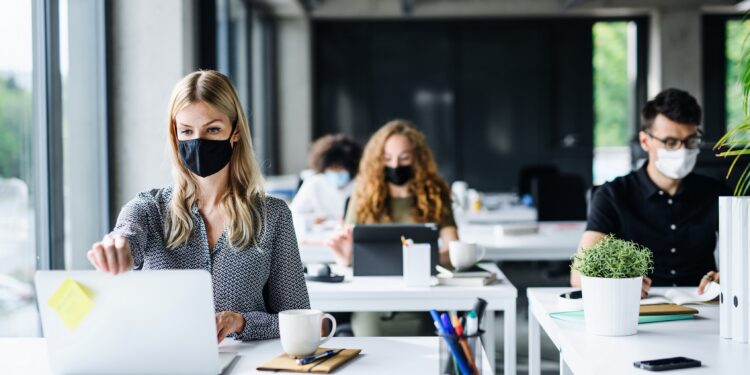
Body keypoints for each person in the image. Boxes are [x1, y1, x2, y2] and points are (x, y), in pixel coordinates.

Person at [86, 70, 310, 342]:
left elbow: (299, 319)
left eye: (213, 129)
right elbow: (127, 235)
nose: (199, 141)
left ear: (235, 132)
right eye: (187, 131)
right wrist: (116, 246)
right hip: (163, 361)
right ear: (175, 134)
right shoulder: (148, 208)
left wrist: (241, 323)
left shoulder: (272, 215)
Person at [570, 88, 730, 296]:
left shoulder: (716, 192)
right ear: (645, 141)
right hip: (638, 311)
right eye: (670, 142)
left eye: (690, 141)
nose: (682, 151)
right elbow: (579, 276)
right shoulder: (613, 195)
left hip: (706, 310)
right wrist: (620, 284)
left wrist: (727, 277)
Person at [326, 119, 458, 336]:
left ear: (418, 159)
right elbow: (350, 251)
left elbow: (454, 250)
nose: (395, 165)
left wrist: (423, 259)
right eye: (387, 158)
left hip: (422, 301)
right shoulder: (362, 196)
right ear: (378, 161)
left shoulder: (435, 194)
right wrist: (345, 258)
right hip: (374, 302)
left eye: (404, 157)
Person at [290, 134, 362, 225]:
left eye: (341, 168)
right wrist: (313, 219)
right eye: (332, 168)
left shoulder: (361, 184)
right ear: (324, 167)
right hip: (319, 236)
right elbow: (294, 213)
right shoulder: (314, 183)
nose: (337, 173)